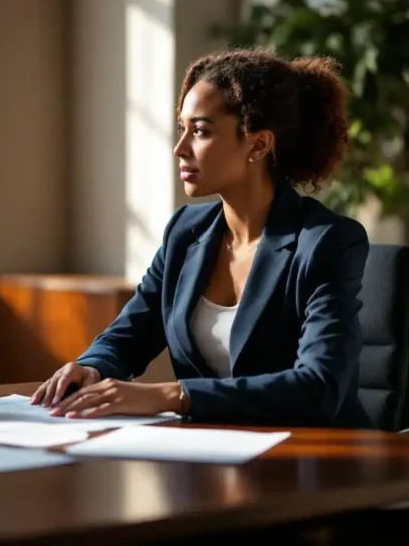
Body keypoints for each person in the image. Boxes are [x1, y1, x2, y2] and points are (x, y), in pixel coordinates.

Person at [32, 49, 371, 428]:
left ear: (258, 144)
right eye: (182, 128)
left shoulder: (326, 242)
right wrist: (92, 367)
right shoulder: (185, 231)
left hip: (313, 451)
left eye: (201, 131)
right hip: (210, 448)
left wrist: (175, 396)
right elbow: (130, 335)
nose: (180, 149)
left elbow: (319, 387)